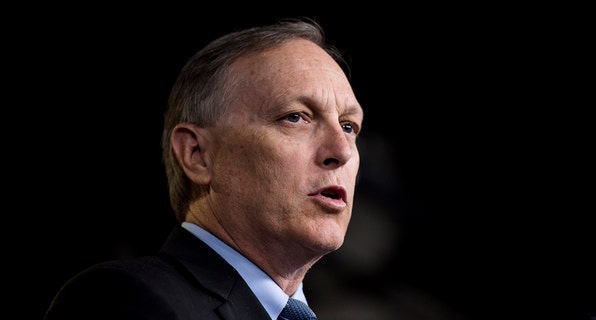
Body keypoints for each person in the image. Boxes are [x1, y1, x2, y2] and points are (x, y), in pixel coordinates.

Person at [44, 17, 363, 320]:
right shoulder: (126, 300)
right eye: (295, 117)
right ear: (197, 154)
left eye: (348, 126)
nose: (342, 151)